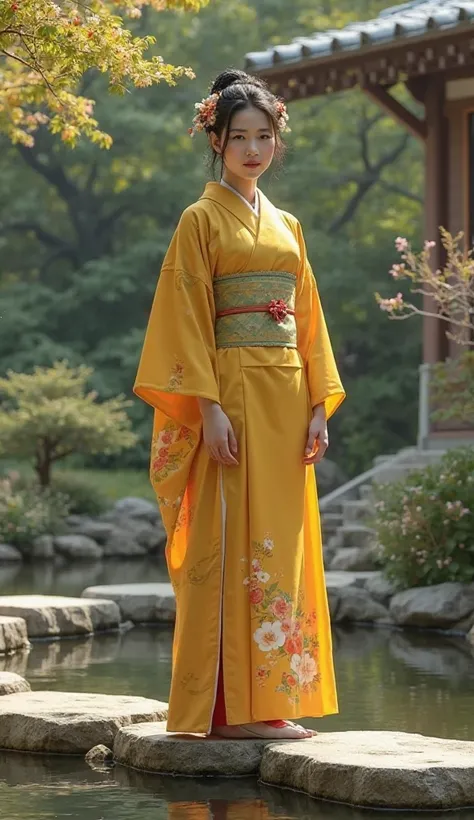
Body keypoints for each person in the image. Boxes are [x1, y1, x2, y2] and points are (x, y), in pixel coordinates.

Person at [134, 68, 345, 741]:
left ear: (276, 142)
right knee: (231, 547)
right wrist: (208, 408)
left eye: (264, 137)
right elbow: (185, 318)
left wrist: (319, 403)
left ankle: (271, 699)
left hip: (285, 398)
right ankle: (229, 712)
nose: (253, 149)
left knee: (278, 550)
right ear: (215, 141)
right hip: (229, 396)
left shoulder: (288, 225)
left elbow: (307, 316)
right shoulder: (199, 220)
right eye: (238, 138)